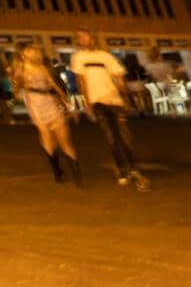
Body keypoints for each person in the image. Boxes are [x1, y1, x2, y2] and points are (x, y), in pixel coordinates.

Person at [70, 31, 148, 190]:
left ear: (92, 37)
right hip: (97, 101)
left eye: (85, 36)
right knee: (111, 137)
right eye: (79, 37)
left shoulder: (105, 56)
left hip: (114, 100)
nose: (82, 39)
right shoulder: (78, 57)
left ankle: (132, 169)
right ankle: (122, 169)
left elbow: (119, 77)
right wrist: (87, 104)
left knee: (125, 136)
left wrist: (125, 97)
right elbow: (81, 81)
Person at [12, 45, 80, 184]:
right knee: (47, 138)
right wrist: (18, 86)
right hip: (35, 105)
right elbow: (16, 86)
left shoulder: (43, 68)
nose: (33, 53)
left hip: (50, 102)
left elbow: (54, 86)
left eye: (34, 52)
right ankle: (57, 171)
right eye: (29, 52)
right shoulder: (21, 69)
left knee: (64, 139)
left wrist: (67, 103)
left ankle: (76, 171)